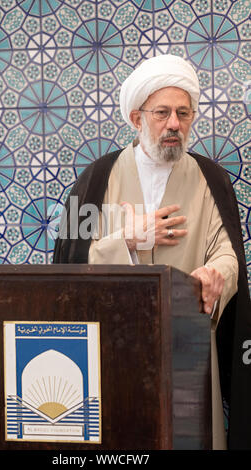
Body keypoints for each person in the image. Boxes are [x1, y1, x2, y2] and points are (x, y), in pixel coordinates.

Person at [53, 54, 251, 450]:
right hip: (111, 350)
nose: (174, 124)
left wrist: (218, 275)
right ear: (136, 118)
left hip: (189, 349)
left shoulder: (210, 177)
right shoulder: (96, 179)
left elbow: (227, 254)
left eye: (183, 112)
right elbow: (66, 268)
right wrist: (127, 239)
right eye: (161, 112)